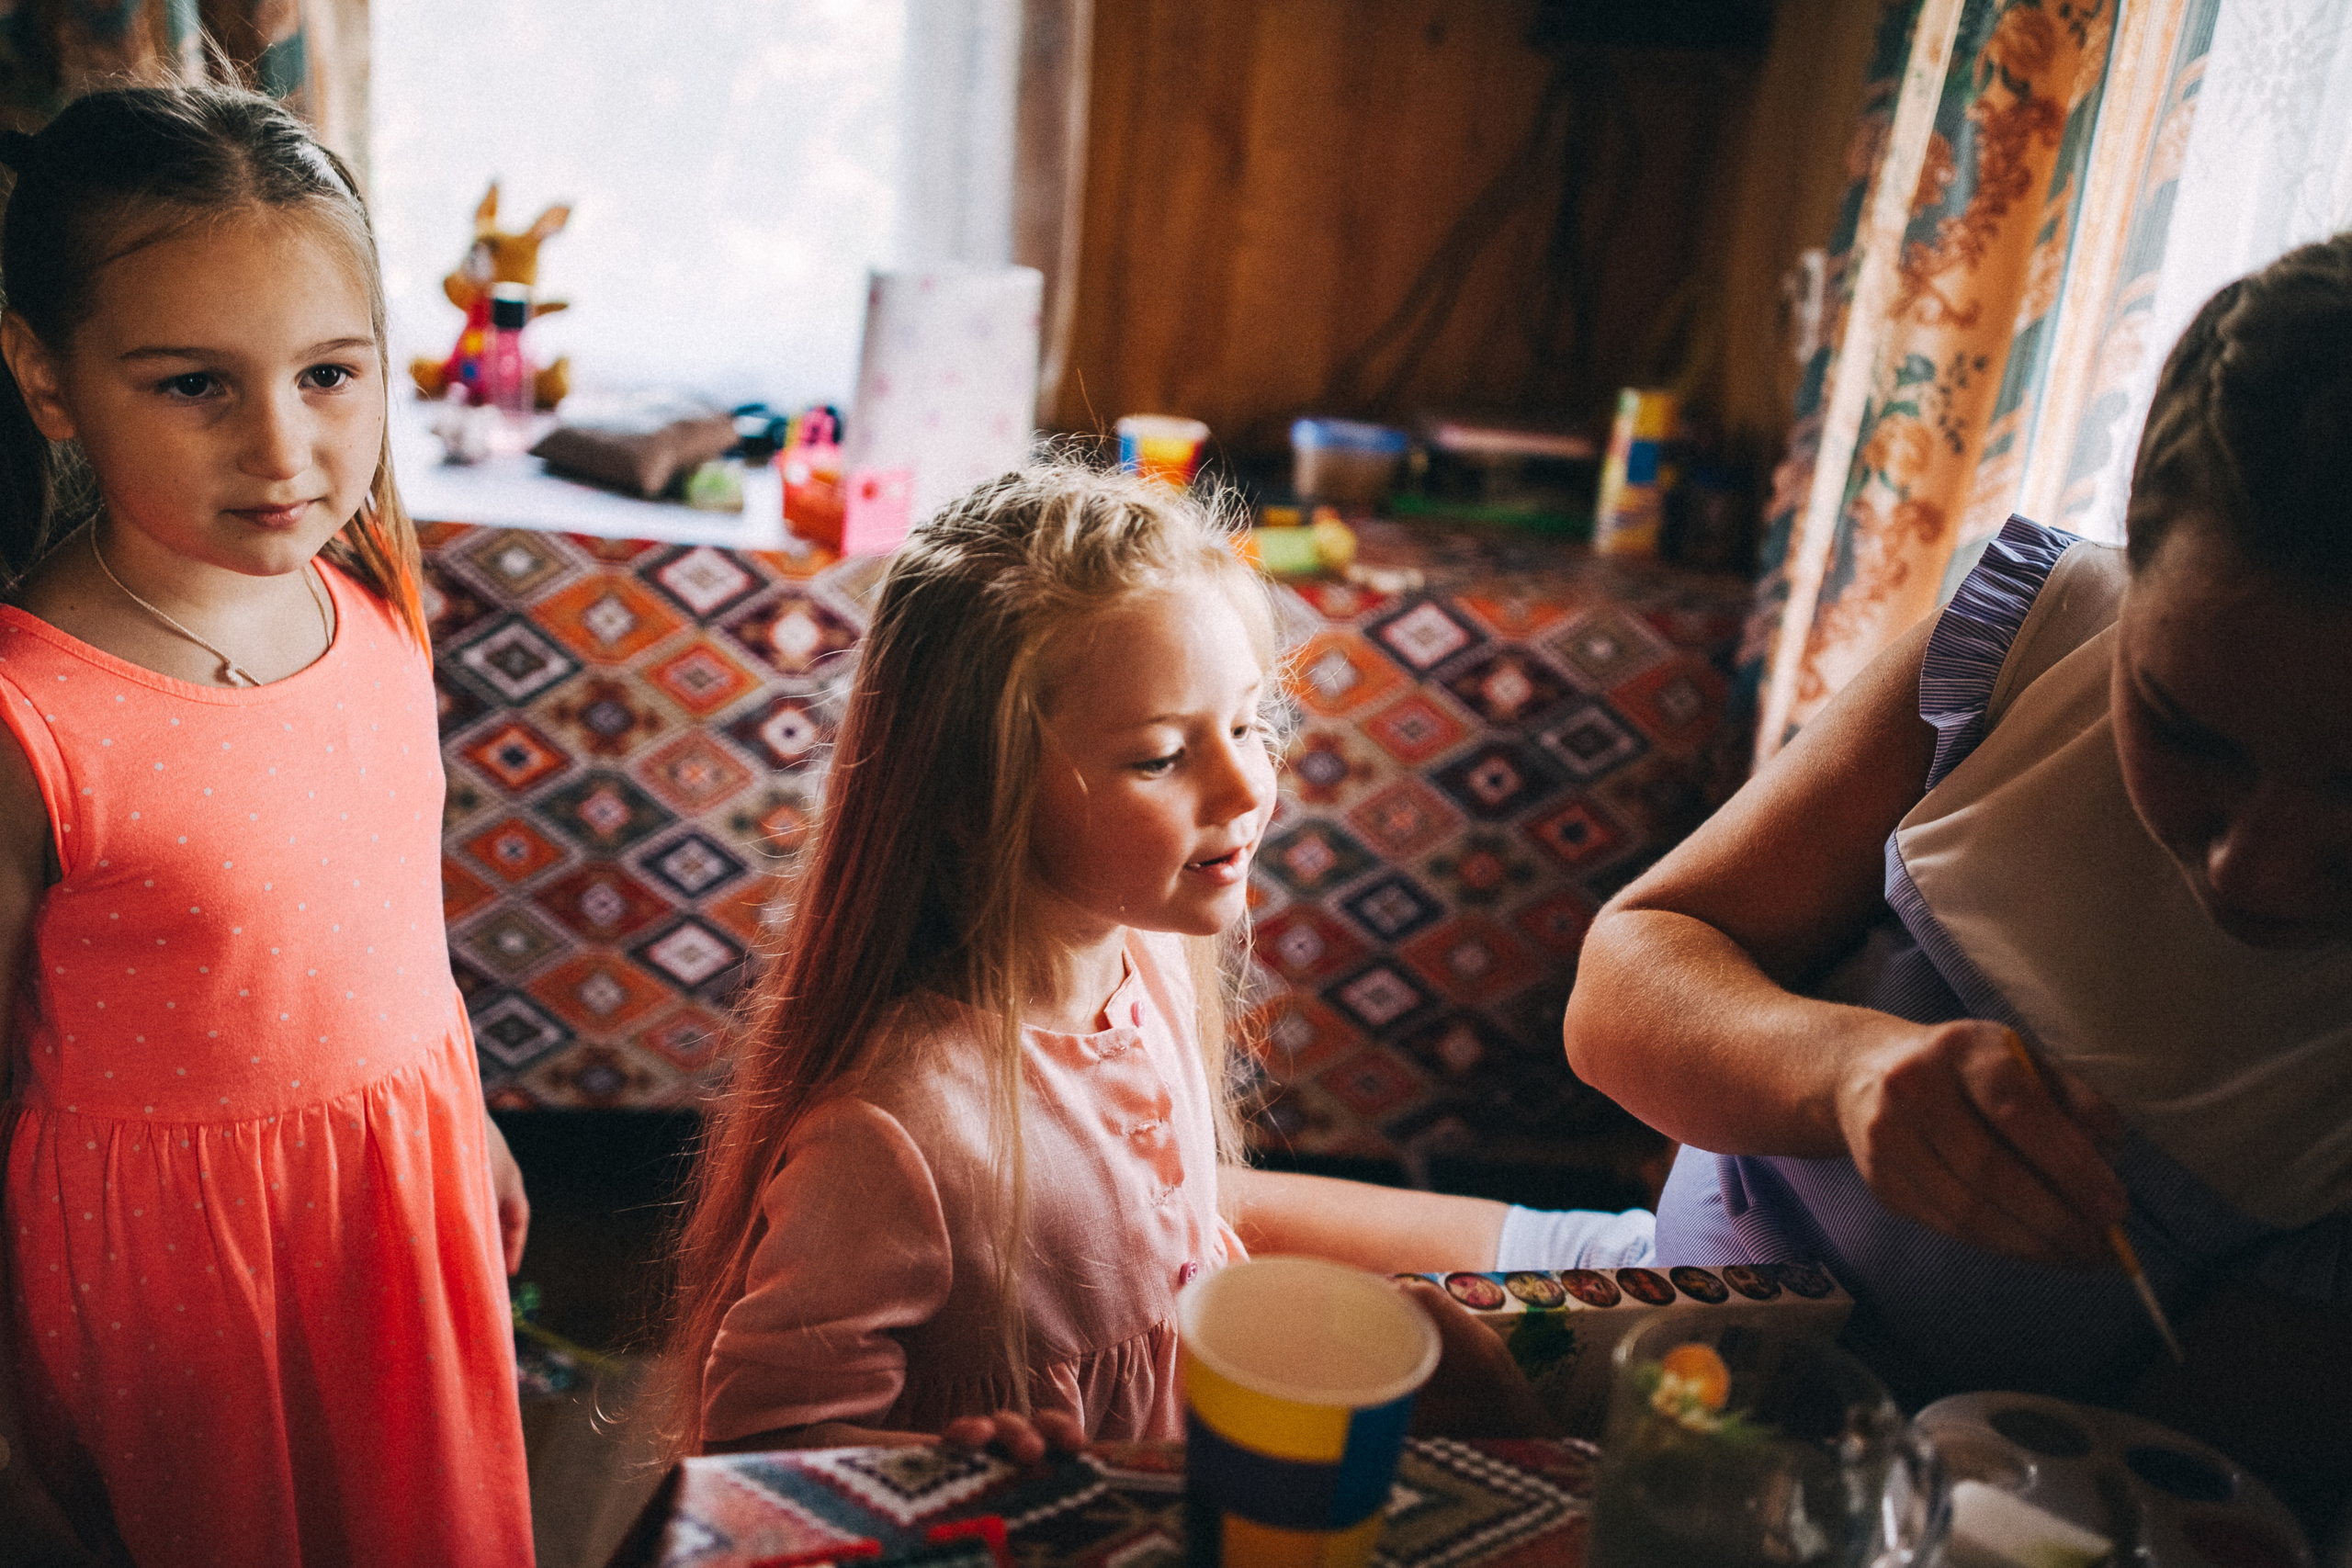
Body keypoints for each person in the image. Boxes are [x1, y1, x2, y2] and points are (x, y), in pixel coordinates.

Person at [1558, 234, 2352, 1509]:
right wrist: (1847, 1071)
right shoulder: (2028, 651)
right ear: (2132, 572)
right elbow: (1619, 992)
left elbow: (2143, 1484)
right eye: (2187, 729)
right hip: (1664, 1308)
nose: (2248, 860)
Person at [0, 85, 532, 1565]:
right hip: (170, 1285)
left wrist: (466, 1117)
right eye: (194, 384)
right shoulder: (27, 710)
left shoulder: (370, 612)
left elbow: (394, 920)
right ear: (49, 381)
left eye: (329, 374)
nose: (283, 447)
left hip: (391, 1215)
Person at [655, 465, 1283, 1459]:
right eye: (1160, 757)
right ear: (971, 795)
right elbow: (759, 1443)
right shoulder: (896, 1130)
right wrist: (948, 1468)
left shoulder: (1148, 958)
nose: (1245, 784)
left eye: (1248, 724)